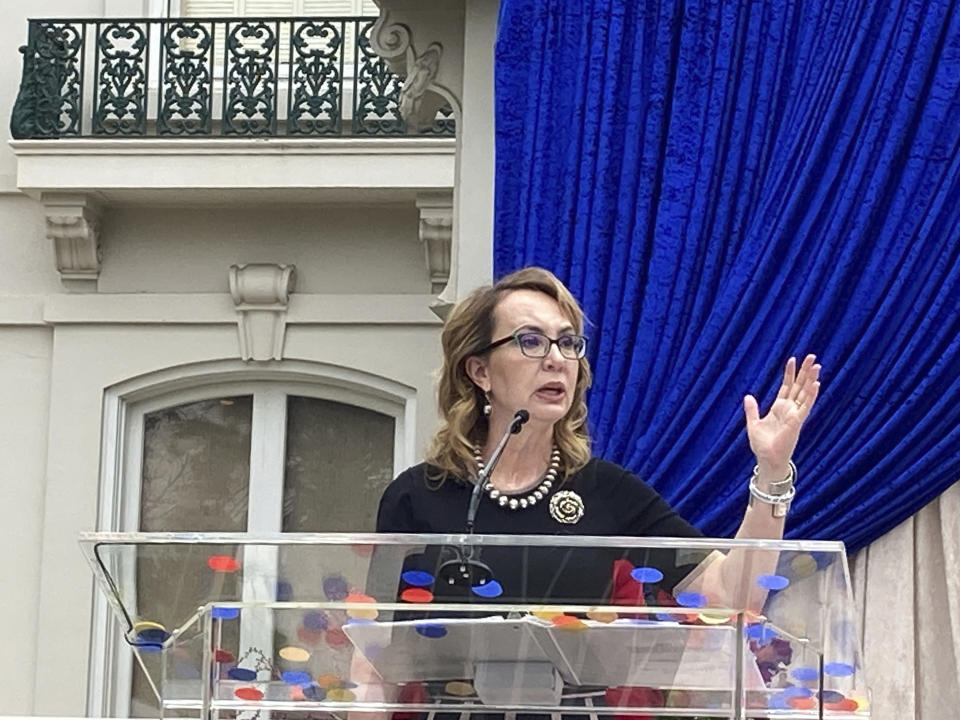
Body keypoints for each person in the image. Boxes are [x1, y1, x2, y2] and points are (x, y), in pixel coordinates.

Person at [376, 266, 820, 605]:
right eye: (531, 341)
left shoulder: (608, 492)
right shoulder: (417, 496)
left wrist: (772, 469)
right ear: (480, 371)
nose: (556, 360)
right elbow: (374, 648)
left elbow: (731, 596)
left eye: (568, 343)